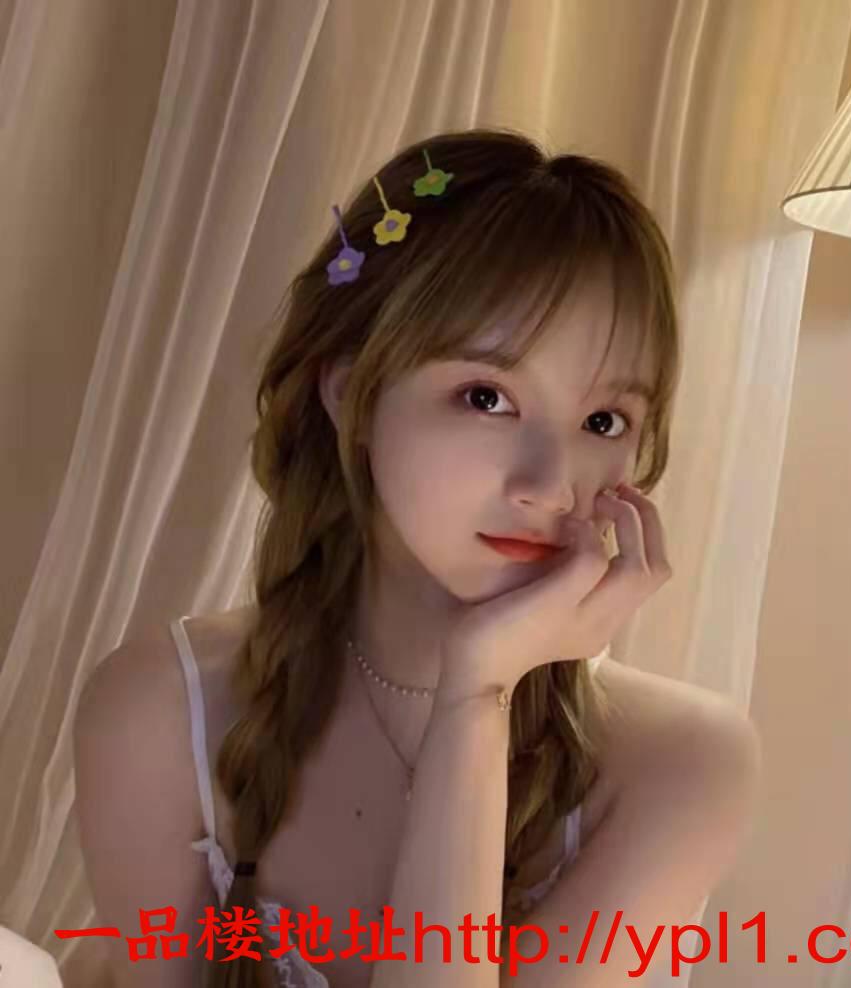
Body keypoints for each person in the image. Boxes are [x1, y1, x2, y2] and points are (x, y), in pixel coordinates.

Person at [73, 127, 761, 988]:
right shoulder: (160, 712)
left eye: (603, 421)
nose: (552, 486)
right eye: (486, 397)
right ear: (351, 395)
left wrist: (476, 697)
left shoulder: (681, 764)